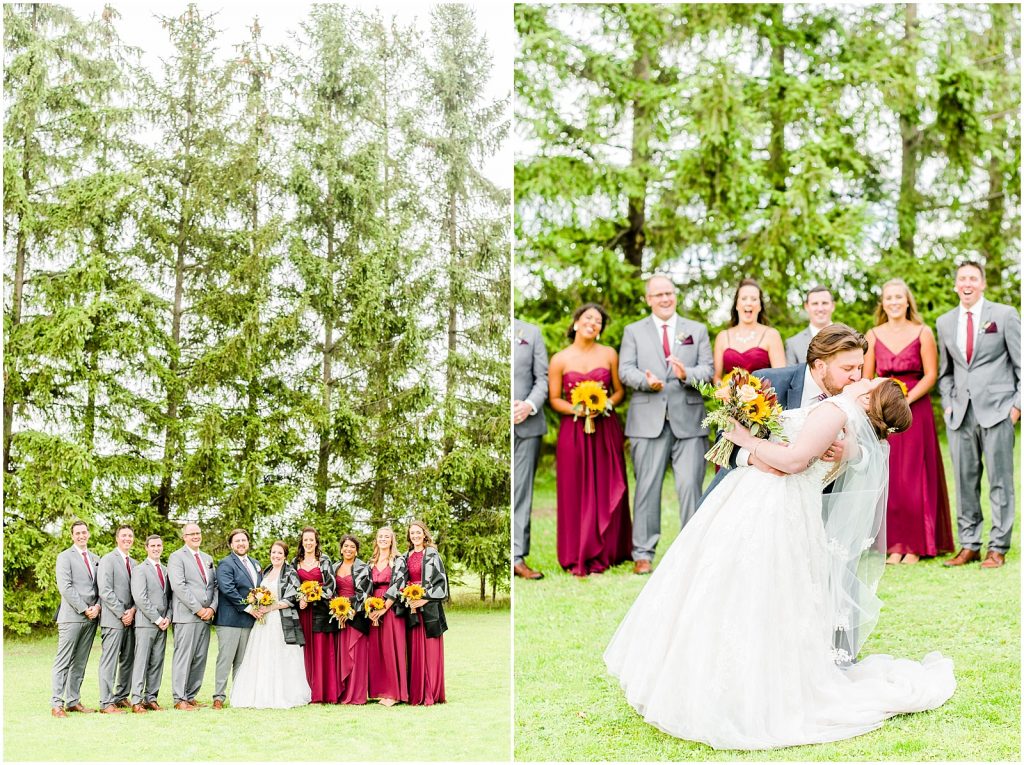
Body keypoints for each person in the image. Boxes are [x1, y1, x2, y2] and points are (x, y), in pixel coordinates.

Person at [605, 378, 956, 749]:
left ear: (870, 397)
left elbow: (791, 462)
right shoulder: (852, 428)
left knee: (747, 593)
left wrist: (747, 440)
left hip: (771, 507)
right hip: (780, 507)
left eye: (866, 376)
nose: (861, 375)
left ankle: (740, 693)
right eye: (853, 368)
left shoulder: (837, 411)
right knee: (747, 595)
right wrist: (751, 450)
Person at [619, 275, 713, 573]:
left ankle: (692, 549)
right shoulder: (633, 331)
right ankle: (643, 553)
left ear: (675, 295)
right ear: (648, 299)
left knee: (690, 486)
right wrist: (645, 382)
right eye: (658, 294)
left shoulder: (695, 330)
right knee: (647, 487)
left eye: (668, 293)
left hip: (689, 419)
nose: (664, 299)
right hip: (648, 420)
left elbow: (708, 371)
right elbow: (625, 370)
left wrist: (687, 375)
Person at [937, 261, 1021, 569]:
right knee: (964, 480)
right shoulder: (944, 322)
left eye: (973, 278)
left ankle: (997, 547)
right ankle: (969, 544)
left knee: (1000, 481)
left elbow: (1020, 362)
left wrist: (1017, 406)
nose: (967, 283)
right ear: (956, 285)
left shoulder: (1004, 315)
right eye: (962, 279)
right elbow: (945, 372)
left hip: (999, 411)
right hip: (960, 415)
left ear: (982, 283)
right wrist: (947, 404)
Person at [865, 279, 954, 564]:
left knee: (915, 476)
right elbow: (868, 377)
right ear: (883, 302)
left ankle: (915, 545)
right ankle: (893, 544)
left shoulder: (923, 332)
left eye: (898, 297)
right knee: (890, 476)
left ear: (907, 302)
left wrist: (905, 400)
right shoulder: (874, 335)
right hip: (884, 412)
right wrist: (885, 405)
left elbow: (931, 374)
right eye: (888, 297)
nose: (893, 302)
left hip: (917, 410)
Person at [549, 303, 631, 576]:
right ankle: (577, 552)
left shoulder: (609, 354)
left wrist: (604, 405)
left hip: (605, 428)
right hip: (573, 431)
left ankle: (610, 550)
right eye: (588, 318)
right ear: (575, 323)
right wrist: (578, 409)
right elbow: (554, 398)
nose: (592, 323)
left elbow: (619, 392)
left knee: (609, 486)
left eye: (598, 321)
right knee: (576, 490)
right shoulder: (560, 358)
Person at [230, 541, 311, 709]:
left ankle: (283, 693)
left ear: (285, 556)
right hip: (263, 623)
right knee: (262, 655)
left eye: (280, 553)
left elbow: (292, 598)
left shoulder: (290, 573)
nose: (276, 556)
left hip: (282, 621)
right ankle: (261, 693)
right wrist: (258, 606)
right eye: (274, 552)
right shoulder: (265, 571)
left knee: (282, 656)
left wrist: (270, 607)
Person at [50, 519, 101, 717]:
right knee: (63, 661)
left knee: (80, 662)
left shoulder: (96, 558)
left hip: (91, 618)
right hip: (72, 617)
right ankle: (56, 704)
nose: (81, 535)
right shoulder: (64, 557)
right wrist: (84, 608)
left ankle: (73, 701)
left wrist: (96, 606)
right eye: (77, 533)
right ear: (72, 536)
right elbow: (65, 587)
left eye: (84, 532)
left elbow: (100, 588)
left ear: (88, 534)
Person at [394, 520, 448, 706]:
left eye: (418, 533)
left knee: (430, 651)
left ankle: (431, 692)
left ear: (425, 534)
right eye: (412, 533)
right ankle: (416, 692)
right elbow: (400, 582)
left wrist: (424, 599)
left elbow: (442, 584)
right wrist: (408, 599)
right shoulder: (405, 556)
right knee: (414, 650)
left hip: (430, 608)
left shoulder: (432, 554)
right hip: (412, 609)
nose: (415, 536)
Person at [167, 522, 218, 711]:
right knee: (184, 656)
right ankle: (179, 698)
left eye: (198, 533)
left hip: (206, 617)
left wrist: (211, 608)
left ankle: (190, 695)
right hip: (187, 616)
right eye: (191, 534)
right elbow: (178, 586)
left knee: (199, 657)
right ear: (184, 537)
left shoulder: (207, 558)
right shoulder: (176, 557)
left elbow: (214, 586)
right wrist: (198, 609)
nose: (196, 536)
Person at [513, 318, 549, 580]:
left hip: (527, 426)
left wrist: (528, 406)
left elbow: (542, 379)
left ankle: (516, 557)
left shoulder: (531, 333)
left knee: (521, 492)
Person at [213, 528, 263, 708]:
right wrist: (249, 607)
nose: (241, 543)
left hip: (249, 621)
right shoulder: (226, 564)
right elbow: (228, 589)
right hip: (229, 620)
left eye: (244, 540)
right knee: (226, 659)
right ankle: (218, 697)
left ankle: (238, 695)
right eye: (237, 541)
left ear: (248, 543)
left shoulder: (255, 564)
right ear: (231, 544)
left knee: (242, 661)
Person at [294, 526, 340, 702]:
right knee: (305, 651)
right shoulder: (295, 561)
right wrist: (300, 597)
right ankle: (306, 691)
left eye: (311, 540)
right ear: (302, 542)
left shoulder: (324, 560)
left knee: (321, 649)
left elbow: (331, 585)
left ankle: (323, 691)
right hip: (303, 611)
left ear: (316, 541)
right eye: (305, 540)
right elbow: (291, 584)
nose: (308, 543)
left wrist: (315, 593)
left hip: (321, 610)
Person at [97, 524, 137, 714]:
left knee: (128, 659)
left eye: (130, 536)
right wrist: (122, 613)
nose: (127, 539)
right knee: (110, 661)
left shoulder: (136, 563)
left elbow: (138, 592)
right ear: (117, 538)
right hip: (113, 619)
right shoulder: (108, 560)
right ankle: (106, 702)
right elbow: (105, 590)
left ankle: (121, 696)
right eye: (124, 536)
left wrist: (133, 611)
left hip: (132, 619)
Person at [366, 527, 409, 706]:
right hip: (373, 607)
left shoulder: (398, 560)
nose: (383, 539)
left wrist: (384, 608)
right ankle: (379, 691)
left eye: (386, 537)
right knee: (377, 649)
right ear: (376, 540)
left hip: (390, 608)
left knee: (392, 649)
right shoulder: (371, 561)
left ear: (392, 540)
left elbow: (399, 584)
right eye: (380, 537)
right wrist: (370, 608)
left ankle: (394, 694)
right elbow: (365, 586)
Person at [129, 534, 171, 713]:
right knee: (142, 661)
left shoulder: (166, 570)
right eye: (152, 545)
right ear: (146, 548)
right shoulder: (140, 569)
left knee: (157, 661)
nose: (156, 548)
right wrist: (157, 618)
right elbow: (140, 597)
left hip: (163, 624)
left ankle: (151, 698)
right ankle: (137, 700)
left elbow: (170, 598)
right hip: (146, 623)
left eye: (159, 545)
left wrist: (168, 617)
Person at [713, 278, 785, 382]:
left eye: (754, 299)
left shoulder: (771, 335)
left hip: (763, 397)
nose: (749, 303)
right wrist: (726, 394)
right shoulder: (723, 337)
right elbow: (717, 377)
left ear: (760, 306)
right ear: (737, 305)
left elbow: (780, 377)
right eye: (744, 298)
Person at [334, 535, 372, 704]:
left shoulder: (363, 567)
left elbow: (364, 593)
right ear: (341, 549)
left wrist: (348, 612)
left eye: (352, 547)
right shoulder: (334, 567)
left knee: (356, 655)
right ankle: (342, 692)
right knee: (342, 655)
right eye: (346, 546)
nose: (348, 549)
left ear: (356, 551)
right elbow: (330, 590)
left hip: (356, 616)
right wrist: (337, 610)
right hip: (338, 616)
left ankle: (356, 694)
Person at [785, 285, 836, 365]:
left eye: (825, 303)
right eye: (815, 304)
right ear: (806, 306)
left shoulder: (850, 337)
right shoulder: (793, 343)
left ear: (833, 306)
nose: (820, 309)